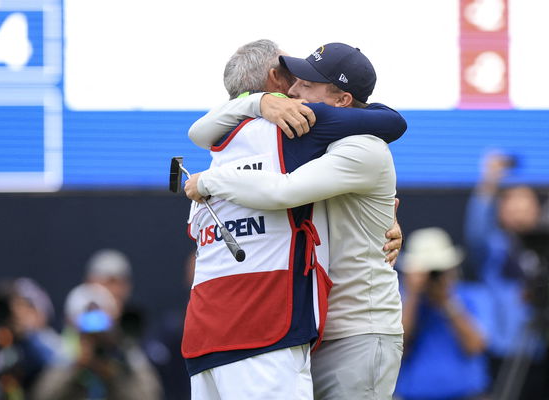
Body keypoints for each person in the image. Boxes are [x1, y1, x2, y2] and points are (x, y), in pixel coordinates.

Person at [185, 40, 405, 399]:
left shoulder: (363, 145)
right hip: (317, 329)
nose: (292, 90)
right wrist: (258, 102)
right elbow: (198, 132)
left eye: (307, 83)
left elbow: (283, 191)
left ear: (342, 101)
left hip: (359, 329)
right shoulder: (309, 140)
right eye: (293, 80)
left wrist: (208, 182)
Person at [464, 151, 548, 399]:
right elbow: (477, 227)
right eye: (513, 203)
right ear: (500, 211)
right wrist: (490, 179)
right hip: (505, 353)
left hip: (541, 351)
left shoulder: (542, 251)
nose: (521, 211)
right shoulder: (493, 248)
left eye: (527, 204)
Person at [395, 227, 492, 400]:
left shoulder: (472, 296)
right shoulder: (399, 300)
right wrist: (414, 297)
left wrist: (448, 302)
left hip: (466, 394)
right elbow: (396, 346)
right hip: (413, 395)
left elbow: (476, 346)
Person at [32, 283, 163, 400]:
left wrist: (115, 372)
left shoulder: (126, 356)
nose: (94, 338)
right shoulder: (62, 354)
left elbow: (150, 396)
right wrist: (75, 367)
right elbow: (41, 396)